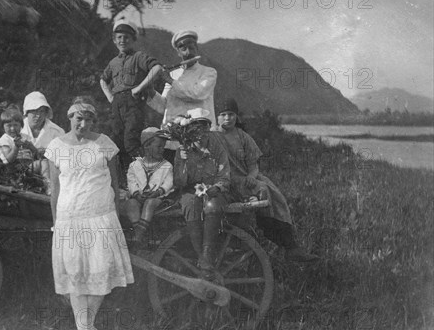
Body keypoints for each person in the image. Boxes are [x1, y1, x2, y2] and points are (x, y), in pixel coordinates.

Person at [44, 96, 134, 330]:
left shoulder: (104, 144)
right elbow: (55, 189)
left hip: (101, 215)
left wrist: (114, 214)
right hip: (69, 218)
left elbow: (116, 185)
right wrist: (56, 223)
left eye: (87, 119)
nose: (82, 124)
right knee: (76, 275)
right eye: (77, 118)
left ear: (94, 121)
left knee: (101, 271)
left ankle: (85, 329)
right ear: (69, 118)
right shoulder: (56, 147)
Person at [216, 98, 320, 262]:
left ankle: (290, 245)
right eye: (223, 115)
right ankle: (266, 229)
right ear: (217, 117)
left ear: (236, 116)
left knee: (276, 197)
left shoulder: (243, 137)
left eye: (231, 114)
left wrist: (251, 175)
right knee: (262, 189)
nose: (227, 118)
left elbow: (253, 164)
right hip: (228, 180)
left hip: (245, 177)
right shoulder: (213, 137)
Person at [172, 108, 230, 278]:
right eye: (196, 127)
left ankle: (207, 254)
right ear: (189, 130)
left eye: (204, 127)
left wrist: (217, 187)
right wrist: (182, 162)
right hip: (191, 192)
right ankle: (200, 255)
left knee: (212, 206)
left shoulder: (218, 149)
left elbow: (225, 177)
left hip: (214, 192)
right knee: (190, 204)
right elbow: (179, 183)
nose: (200, 132)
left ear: (208, 129)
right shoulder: (182, 151)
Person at [100, 19, 162, 165]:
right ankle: (121, 178)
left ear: (133, 39)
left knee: (131, 141)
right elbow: (103, 80)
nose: (123, 40)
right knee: (116, 140)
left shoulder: (139, 57)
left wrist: (139, 88)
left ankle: (143, 171)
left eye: (127, 37)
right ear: (114, 40)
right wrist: (110, 97)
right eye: (119, 37)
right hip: (117, 104)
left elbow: (157, 68)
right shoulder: (113, 62)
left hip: (133, 103)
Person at [147, 30, 218, 147]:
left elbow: (197, 94)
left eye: (191, 47)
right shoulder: (173, 74)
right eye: (183, 49)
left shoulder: (209, 72)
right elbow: (163, 107)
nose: (188, 52)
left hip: (198, 139)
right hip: (173, 138)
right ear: (178, 53)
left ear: (197, 48)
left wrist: (169, 80)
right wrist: (150, 90)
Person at [124, 127, 173, 244]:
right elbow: (131, 182)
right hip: (140, 197)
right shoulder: (135, 165)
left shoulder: (166, 165)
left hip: (158, 198)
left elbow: (169, 182)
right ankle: (138, 230)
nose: (162, 150)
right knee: (131, 203)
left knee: (150, 203)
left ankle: (139, 234)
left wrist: (158, 192)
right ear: (146, 146)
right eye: (159, 146)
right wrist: (136, 194)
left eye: (163, 147)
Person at [0, 104, 38, 169]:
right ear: (3, 127)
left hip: (28, 165)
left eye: (16, 125)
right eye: (9, 126)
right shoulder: (4, 140)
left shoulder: (25, 137)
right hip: (12, 168)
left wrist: (30, 146)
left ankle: (47, 179)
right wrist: (16, 147)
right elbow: (9, 159)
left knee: (44, 163)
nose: (12, 128)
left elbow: (35, 154)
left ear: (21, 126)